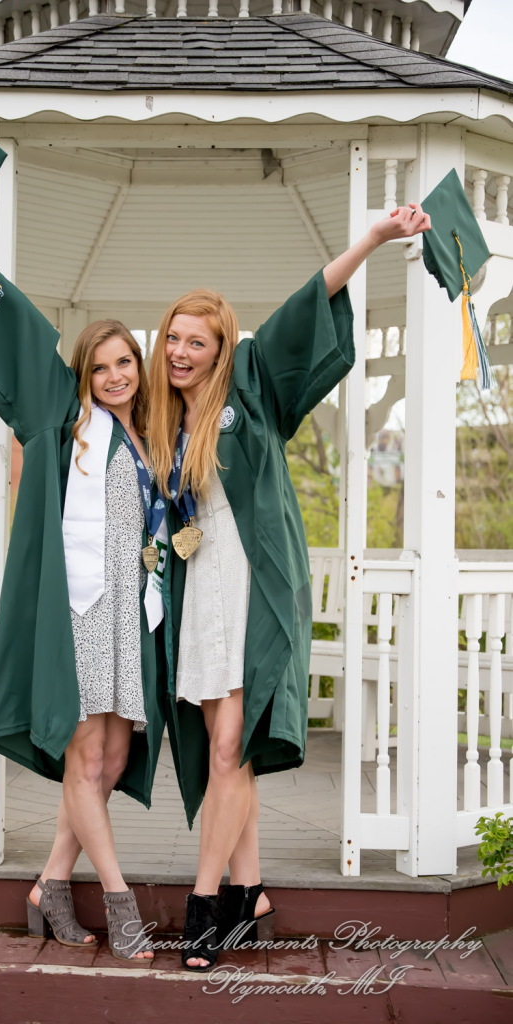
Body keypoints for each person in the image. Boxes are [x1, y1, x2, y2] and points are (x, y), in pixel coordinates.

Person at [147, 204, 431, 970]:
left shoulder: (250, 385)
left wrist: (371, 239)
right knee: (221, 747)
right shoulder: (162, 423)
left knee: (232, 744)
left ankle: (205, 906)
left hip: (257, 590)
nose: (179, 351)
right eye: (171, 338)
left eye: (194, 342)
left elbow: (309, 305)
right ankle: (252, 891)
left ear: (220, 348)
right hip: (199, 594)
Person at [0, 208, 167, 960]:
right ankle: (119, 900)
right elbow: (24, 340)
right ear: (84, 374)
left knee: (108, 762)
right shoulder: (64, 419)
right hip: (73, 614)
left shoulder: (148, 438)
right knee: (81, 759)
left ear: (140, 365)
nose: (112, 377)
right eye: (99, 366)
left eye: (123, 363)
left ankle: (46, 887)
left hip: (126, 617)